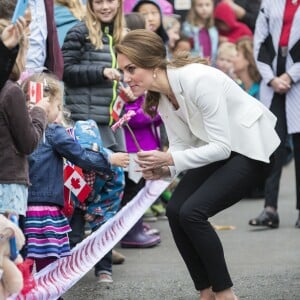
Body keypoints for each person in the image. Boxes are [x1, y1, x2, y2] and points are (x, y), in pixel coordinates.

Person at [115, 29, 280, 300]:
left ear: (153, 63)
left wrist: (169, 158)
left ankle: (225, 293)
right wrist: (163, 168)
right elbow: (183, 146)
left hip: (254, 148)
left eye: (131, 68)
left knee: (192, 212)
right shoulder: (160, 94)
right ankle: (206, 292)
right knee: (175, 210)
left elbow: (220, 146)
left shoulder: (198, 80)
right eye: (123, 70)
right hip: (224, 150)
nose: (126, 77)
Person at [249, 0, 300, 229]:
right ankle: (270, 209)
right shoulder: (269, 3)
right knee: (273, 146)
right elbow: (260, 41)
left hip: (296, 81)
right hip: (273, 80)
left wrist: (290, 76)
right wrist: (270, 78)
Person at [0, 20, 50, 218]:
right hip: (8, 183)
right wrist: (39, 112)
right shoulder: (11, 91)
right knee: (8, 246)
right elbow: (28, 142)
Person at [181, 0, 218, 65]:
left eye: (207, 5)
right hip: (194, 66)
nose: (204, 8)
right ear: (194, 7)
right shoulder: (187, 28)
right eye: (200, 5)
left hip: (211, 66)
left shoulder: (213, 29)